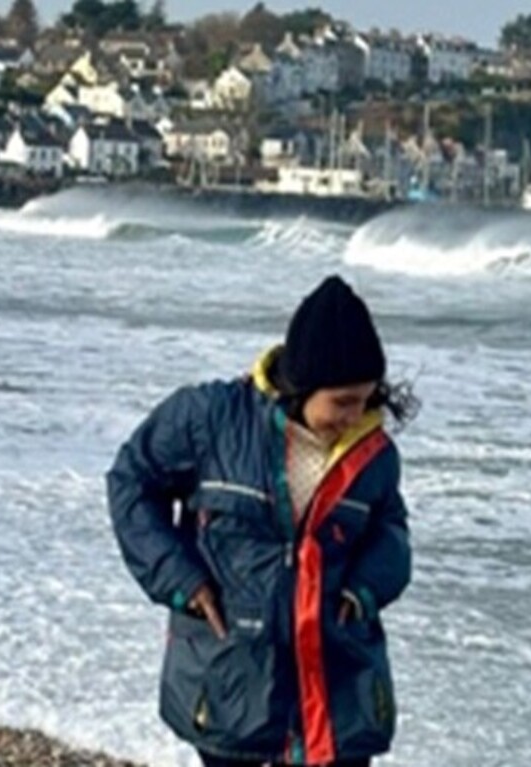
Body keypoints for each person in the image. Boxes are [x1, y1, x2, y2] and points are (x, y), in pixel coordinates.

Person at [108, 275, 416, 766]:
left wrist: (364, 590)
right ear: (304, 383)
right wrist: (180, 579)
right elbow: (131, 481)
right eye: (342, 401)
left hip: (338, 682)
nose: (355, 414)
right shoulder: (209, 418)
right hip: (232, 675)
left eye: (365, 399)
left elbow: (391, 533)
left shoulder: (373, 454)